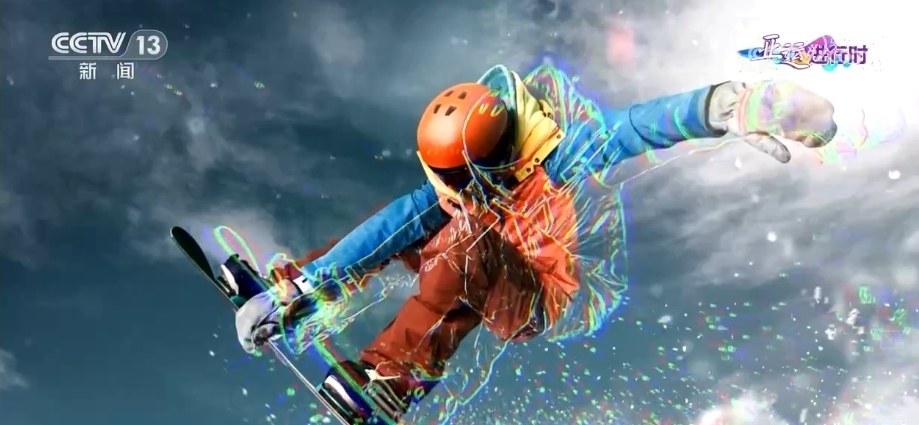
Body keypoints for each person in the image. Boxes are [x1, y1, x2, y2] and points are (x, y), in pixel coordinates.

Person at [228, 64, 837, 423]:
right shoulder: (452, 194)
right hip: (470, 259)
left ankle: (391, 381)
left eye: (474, 175)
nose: (467, 190)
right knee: (404, 226)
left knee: (465, 238)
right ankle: (299, 297)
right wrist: (298, 289)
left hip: (531, 295)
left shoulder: (556, 160)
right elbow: (389, 229)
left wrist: (728, 105)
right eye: (453, 180)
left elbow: (632, 128)